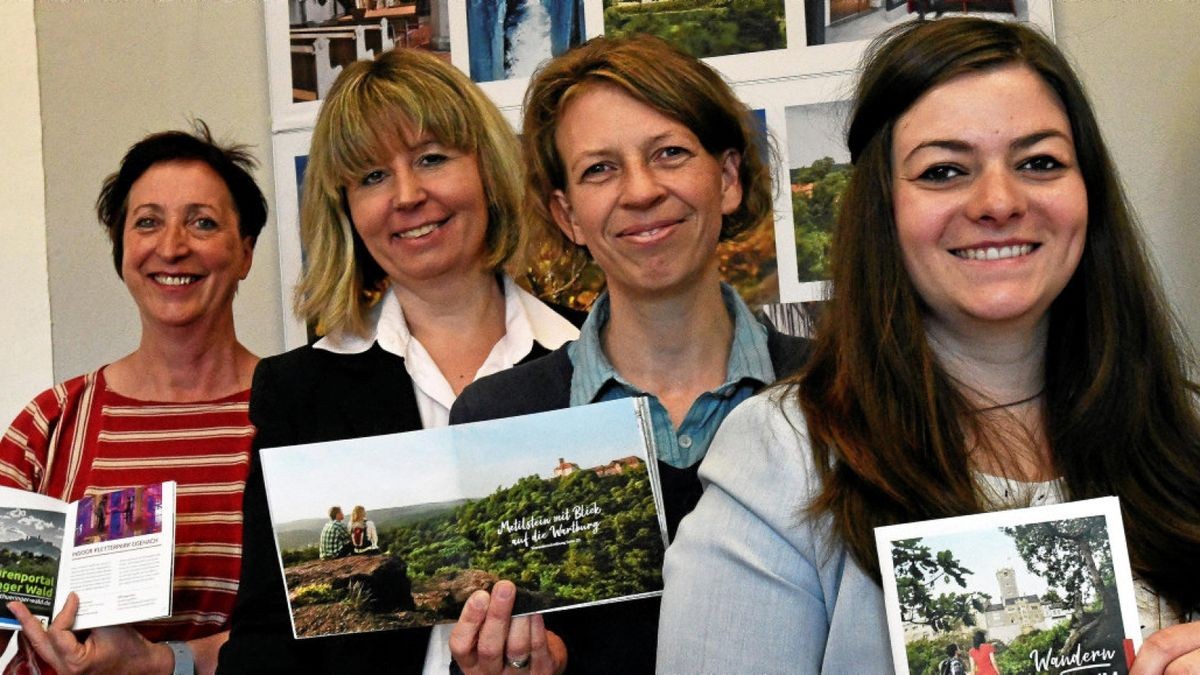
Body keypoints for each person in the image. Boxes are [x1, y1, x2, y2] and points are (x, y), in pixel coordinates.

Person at [657, 17, 1200, 673]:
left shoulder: (1182, 433)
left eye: (1039, 162)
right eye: (944, 170)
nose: (999, 201)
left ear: (1089, 193)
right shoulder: (782, 456)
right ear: (883, 208)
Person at [446, 35, 810, 675]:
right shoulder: (499, 420)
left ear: (726, 179)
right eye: (599, 169)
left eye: (669, 153)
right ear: (568, 216)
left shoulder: (837, 387)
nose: (641, 192)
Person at [217, 47, 582, 675]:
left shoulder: (591, 358)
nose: (407, 196)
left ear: (489, 171)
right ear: (347, 210)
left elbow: (650, 623)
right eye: (371, 177)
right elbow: (264, 640)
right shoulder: (297, 390)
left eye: (432, 159)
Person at [0, 122, 267, 675]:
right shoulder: (49, 426)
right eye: (147, 223)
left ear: (244, 253)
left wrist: (164, 663)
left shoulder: (297, 415)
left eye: (203, 222)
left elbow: (319, 628)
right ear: (122, 250)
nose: (172, 247)